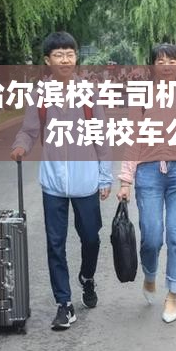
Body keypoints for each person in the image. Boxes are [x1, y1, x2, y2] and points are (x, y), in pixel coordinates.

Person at [10, 31, 113, 330]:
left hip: (86, 180)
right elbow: (29, 130)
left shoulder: (89, 92)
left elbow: (101, 135)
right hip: (53, 181)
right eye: (58, 55)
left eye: (69, 54)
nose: (65, 60)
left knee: (91, 238)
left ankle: (87, 277)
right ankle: (64, 304)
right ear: (48, 60)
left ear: (76, 57)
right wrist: (20, 145)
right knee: (55, 244)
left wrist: (105, 176)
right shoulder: (40, 94)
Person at [117, 43, 176, 323]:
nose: (166, 65)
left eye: (172, 60)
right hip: (148, 173)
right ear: (152, 66)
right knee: (151, 236)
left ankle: (173, 294)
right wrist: (125, 180)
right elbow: (133, 138)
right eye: (160, 60)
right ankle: (150, 274)